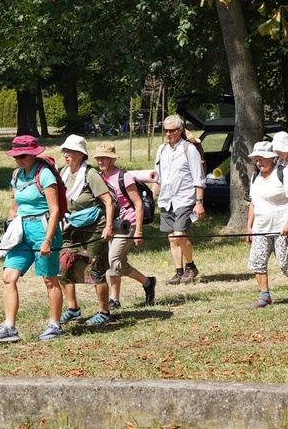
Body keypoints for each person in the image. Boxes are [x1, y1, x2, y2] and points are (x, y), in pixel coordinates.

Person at [0, 136, 64, 342]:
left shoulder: (45, 174)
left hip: (43, 228)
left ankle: (55, 325)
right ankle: (10, 327)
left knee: (49, 279)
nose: (17, 159)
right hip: (21, 228)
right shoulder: (16, 175)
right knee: (8, 277)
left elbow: (55, 210)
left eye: (21, 156)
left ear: (32, 154)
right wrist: (9, 232)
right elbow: (14, 205)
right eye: (15, 156)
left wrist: (48, 239)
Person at [246, 142, 288, 306]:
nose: (259, 163)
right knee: (257, 261)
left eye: (262, 159)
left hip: (282, 227)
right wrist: (249, 227)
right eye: (257, 159)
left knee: (287, 265)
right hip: (260, 228)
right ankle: (265, 296)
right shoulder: (255, 177)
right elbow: (253, 203)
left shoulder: (283, 173)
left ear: (271, 158)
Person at [58, 134, 114, 326]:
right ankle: (73, 309)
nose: (66, 154)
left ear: (81, 154)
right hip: (72, 227)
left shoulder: (91, 175)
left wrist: (108, 227)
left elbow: (108, 202)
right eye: (65, 151)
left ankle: (104, 312)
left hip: (95, 228)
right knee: (63, 266)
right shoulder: (63, 173)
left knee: (96, 269)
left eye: (71, 151)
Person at [93, 142, 156, 310]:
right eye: (99, 158)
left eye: (104, 158)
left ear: (112, 160)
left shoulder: (123, 176)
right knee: (117, 262)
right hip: (109, 223)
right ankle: (147, 282)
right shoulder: (99, 177)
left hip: (129, 223)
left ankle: (114, 299)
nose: (101, 161)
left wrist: (139, 231)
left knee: (113, 260)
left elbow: (138, 205)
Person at [154, 115, 206, 285]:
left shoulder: (189, 149)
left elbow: (199, 178)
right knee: (172, 238)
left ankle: (191, 266)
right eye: (166, 131)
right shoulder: (161, 149)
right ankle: (179, 271)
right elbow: (158, 177)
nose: (168, 134)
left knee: (179, 234)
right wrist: (153, 197)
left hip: (184, 198)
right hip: (166, 199)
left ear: (180, 130)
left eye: (172, 130)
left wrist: (199, 203)